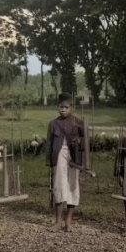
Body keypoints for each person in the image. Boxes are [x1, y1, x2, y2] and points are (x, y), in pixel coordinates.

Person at [45, 93, 84, 232]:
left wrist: (79, 142)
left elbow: (86, 142)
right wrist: (49, 161)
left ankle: (68, 222)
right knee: (59, 185)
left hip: (74, 157)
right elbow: (49, 143)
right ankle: (57, 222)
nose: (63, 109)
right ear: (57, 107)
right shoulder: (53, 124)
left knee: (73, 185)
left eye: (66, 107)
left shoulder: (78, 122)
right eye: (61, 107)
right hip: (59, 155)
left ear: (72, 108)